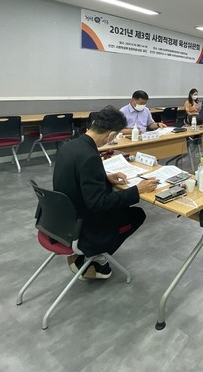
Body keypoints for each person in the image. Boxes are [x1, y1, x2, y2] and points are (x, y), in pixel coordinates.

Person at [53, 105, 159, 279]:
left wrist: (105, 177)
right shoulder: (90, 156)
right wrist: (137, 190)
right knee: (136, 214)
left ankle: (91, 255)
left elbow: (77, 178)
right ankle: (94, 256)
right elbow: (98, 203)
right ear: (111, 135)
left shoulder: (69, 146)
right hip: (84, 225)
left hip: (62, 218)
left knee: (122, 208)